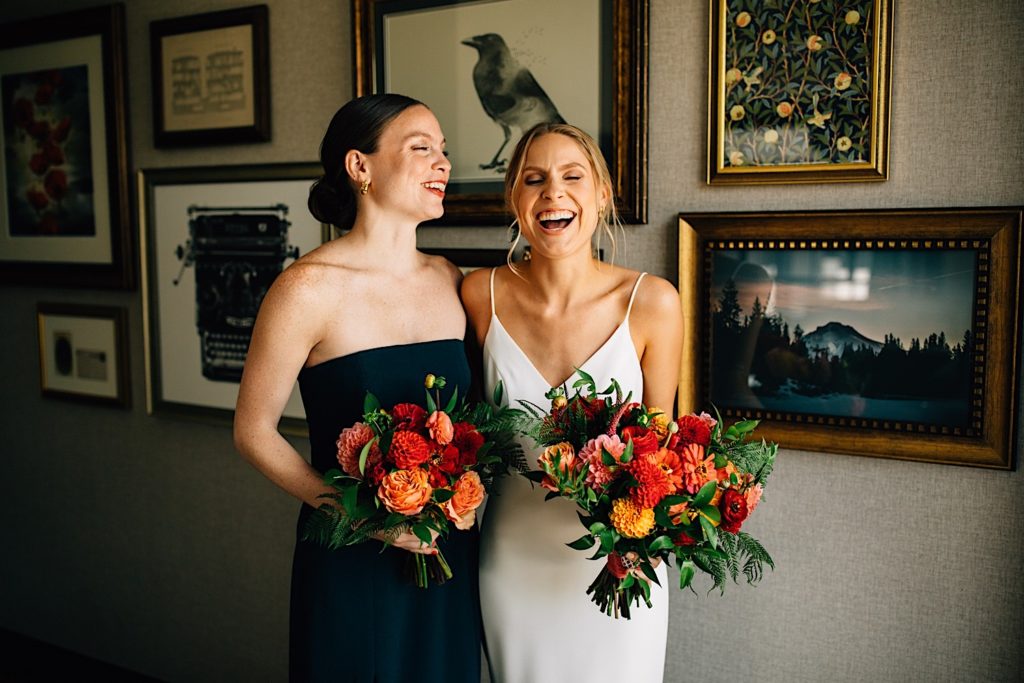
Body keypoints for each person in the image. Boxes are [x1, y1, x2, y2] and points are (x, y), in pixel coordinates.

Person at [234, 94, 480, 683]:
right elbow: (252, 432)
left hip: (446, 551)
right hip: (351, 555)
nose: (442, 163)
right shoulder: (306, 289)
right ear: (359, 166)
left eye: (444, 151)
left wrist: (472, 494)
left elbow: (472, 424)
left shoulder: (451, 280)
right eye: (421, 148)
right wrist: (366, 519)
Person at [461, 123, 683, 683]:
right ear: (514, 198)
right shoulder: (477, 295)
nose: (552, 193)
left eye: (572, 177)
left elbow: (665, 455)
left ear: (602, 194)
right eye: (533, 179)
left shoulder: (652, 302)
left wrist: (645, 543)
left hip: (618, 564)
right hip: (512, 560)